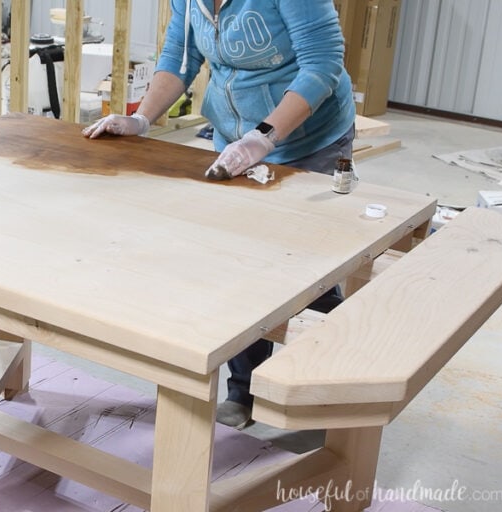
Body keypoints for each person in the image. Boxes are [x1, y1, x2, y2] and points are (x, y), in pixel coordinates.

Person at [83, 0, 356, 429]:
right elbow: (179, 57)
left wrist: (264, 137)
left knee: (307, 267)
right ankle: (244, 391)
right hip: (234, 139)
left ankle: (330, 391)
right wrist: (143, 119)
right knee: (242, 263)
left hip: (309, 139)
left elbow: (322, 64)